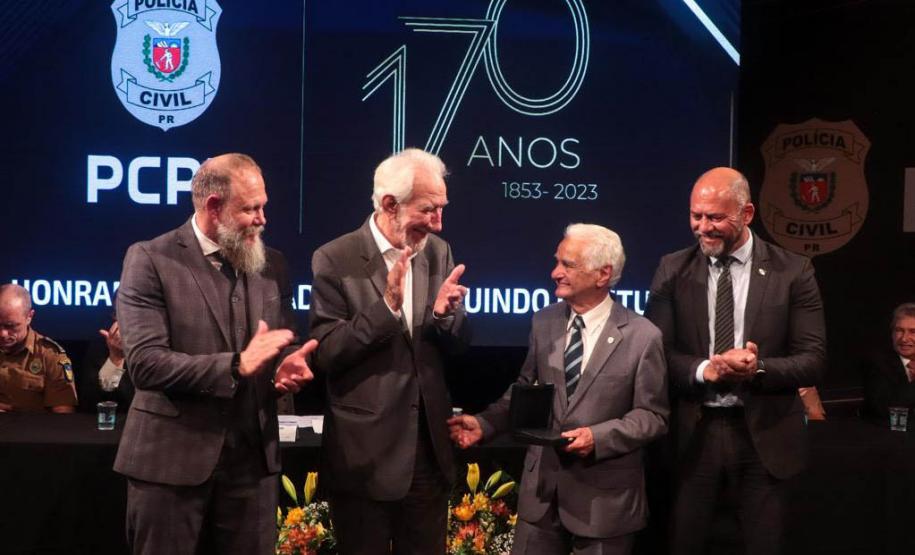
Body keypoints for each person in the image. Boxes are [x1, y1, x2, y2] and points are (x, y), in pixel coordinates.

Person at [114, 153, 316, 555]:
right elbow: (145, 363)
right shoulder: (150, 259)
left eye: (264, 206)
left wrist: (285, 368)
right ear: (213, 207)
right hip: (170, 463)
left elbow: (276, 344)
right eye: (251, 209)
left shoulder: (271, 263)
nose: (262, 219)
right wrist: (236, 365)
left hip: (252, 467)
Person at [448, 224, 669, 555]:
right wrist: (486, 424)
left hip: (604, 504)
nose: (555, 272)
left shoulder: (642, 336)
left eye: (568, 265)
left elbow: (652, 416)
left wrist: (599, 437)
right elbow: (526, 392)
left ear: (602, 274)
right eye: (557, 262)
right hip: (541, 499)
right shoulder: (544, 322)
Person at [646, 167, 827, 555]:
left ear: (746, 214)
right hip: (693, 435)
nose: (702, 227)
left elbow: (812, 359)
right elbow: (657, 353)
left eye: (715, 217)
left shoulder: (794, 271)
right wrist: (703, 370)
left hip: (764, 436)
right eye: (696, 215)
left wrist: (757, 369)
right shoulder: (671, 270)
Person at [309, 148, 470, 555]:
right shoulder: (335, 258)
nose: (438, 222)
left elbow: (456, 345)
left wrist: (444, 316)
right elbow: (326, 352)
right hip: (366, 456)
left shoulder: (438, 252)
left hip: (427, 455)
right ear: (389, 205)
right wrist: (386, 309)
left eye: (442, 209)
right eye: (429, 210)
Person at [0, 283, 77, 413]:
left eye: (11, 326)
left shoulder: (51, 356)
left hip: (28, 431)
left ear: (29, 316)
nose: (2, 334)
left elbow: (64, 418)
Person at [861, 302, 915, 420]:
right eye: (899, 330)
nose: (904, 338)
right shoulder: (878, 363)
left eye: (913, 332)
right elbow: (886, 410)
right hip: (889, 434)